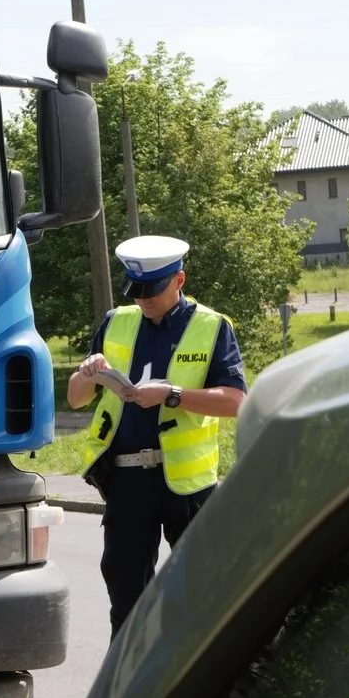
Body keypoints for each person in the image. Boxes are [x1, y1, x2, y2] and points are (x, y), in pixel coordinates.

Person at [66, 235, 248, 640]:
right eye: (137, 291)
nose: (143, 300)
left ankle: (202, 687)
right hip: (127, 480)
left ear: (179, 279)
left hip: (187, 486)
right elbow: (76, 399)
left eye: (153, 290)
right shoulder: (117, 321)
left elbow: (236, 401)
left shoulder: (212, 327)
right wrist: (87, 372)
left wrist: (172, 394)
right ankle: (127, 693)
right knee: (126, 596)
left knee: (204, 594)